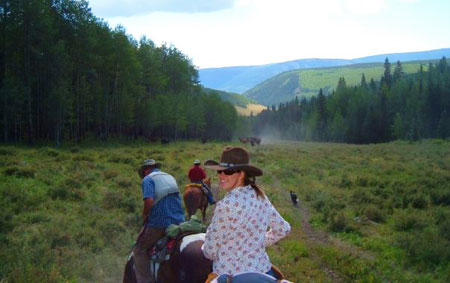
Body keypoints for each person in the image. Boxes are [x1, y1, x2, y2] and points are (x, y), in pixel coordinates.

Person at [202, 146, 291, 282]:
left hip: (230, 274)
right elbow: (283, 229)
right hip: (262, 269)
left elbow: (209, 251)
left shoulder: (225, 205)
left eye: (228, 172)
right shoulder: (260, 196)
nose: (221, 176)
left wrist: (206, 248)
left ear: (242, 174)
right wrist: (259, 242)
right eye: (220, 171)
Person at [133, 159, 185, 283]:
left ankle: (146, 280)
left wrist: (145, 214)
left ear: (145, 170)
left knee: (139, 251)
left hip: (159, 223)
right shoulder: (170, 177)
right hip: (179, 221)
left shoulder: (148, 179)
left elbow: (149, 200)